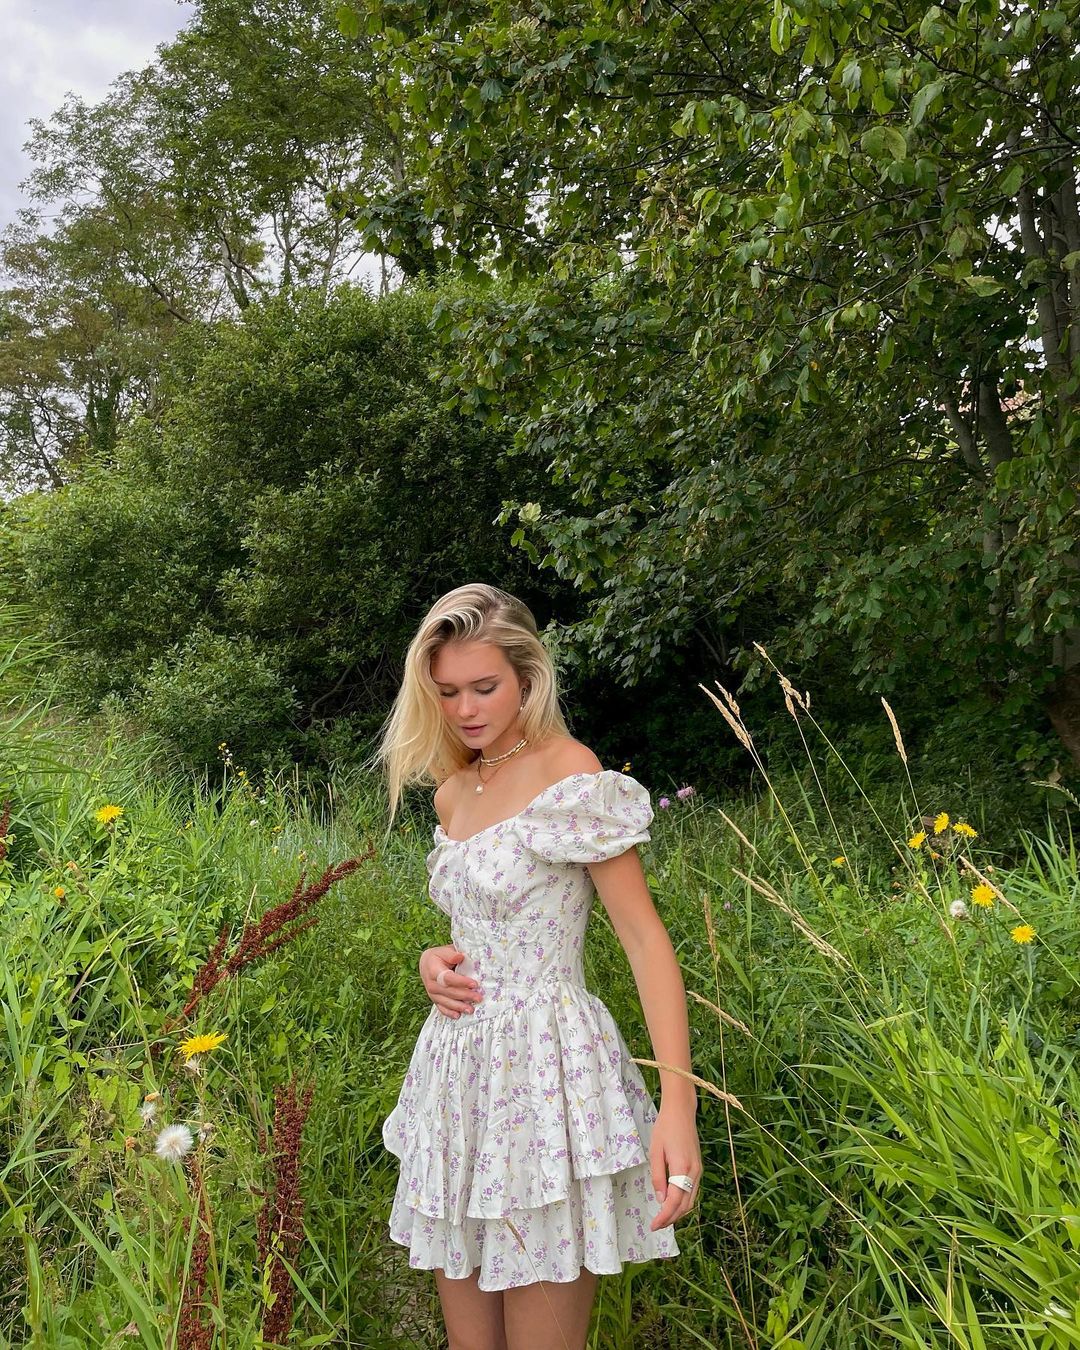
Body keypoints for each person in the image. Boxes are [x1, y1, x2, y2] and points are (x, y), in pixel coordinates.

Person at [372, 583, 702, 1350]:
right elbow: (478, 924)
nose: (464, 709)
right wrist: (433, 962)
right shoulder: (453, 794)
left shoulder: (569, 774)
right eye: (447, 691)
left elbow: (643, 938)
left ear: (527, 677)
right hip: (457, 1079)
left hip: (547, 1077)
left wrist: (678, 1105)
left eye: (484, 687)